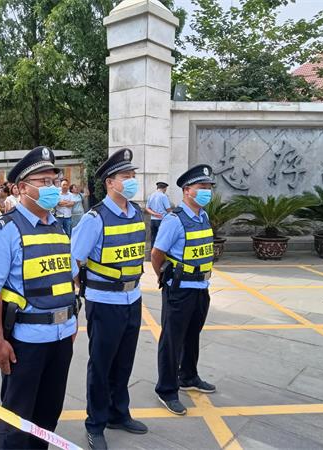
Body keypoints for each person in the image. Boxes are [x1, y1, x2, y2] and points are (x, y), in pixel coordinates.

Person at [0, 146, 77, 450]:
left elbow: (67, 280)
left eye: (53, 180)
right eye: (43, 181)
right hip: (26, 342)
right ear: (22, 188)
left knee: (48, 415)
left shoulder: (58, 227)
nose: (51, 187)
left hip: (61, 338)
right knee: (17, 420)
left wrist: (71, 323)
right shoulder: (4, 230)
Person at [71, 148, 148, 449]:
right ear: (110, 183)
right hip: (104, 302)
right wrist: (80, 293)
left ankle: (119, 413)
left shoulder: (136, 212)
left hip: (133, 299)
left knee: (124, 362)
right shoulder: (95, 218)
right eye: (125, 176)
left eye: (133, 175)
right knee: (101, 366)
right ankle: (95, 423)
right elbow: (73, 261)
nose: (131, 180)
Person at [152, 165, 217, 416]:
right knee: (172, 340)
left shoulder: (203, 216)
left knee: (192, 335)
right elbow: (156, 253)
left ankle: (188, 376)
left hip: (201, 288)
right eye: (202, 187)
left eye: (209, 187)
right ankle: (166, 389)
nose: (207, 191)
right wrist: (163, 277)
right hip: (179, 290)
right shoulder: (174, 220)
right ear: (187, 190)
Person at [146, 182, 172, 248]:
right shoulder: (163, 196)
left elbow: (147, 208)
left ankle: (152, 252)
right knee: (162, 238)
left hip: (152, 220)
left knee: (153, 237)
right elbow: (168, 209)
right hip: (162, 219)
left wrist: (154, 214)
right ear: (164, 188)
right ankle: (160, 253)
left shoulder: (150, 196)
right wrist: (172, 215)